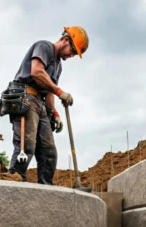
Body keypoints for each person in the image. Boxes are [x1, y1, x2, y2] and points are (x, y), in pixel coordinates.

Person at [8, 26, 89, 184]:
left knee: (49, 152)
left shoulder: (58, 66)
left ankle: (45, 190)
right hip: (26, 97)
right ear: (65, 40)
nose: (72, 55)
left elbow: (49, 91)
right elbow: (37, 72)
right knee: (27, 146)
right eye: (72, 51)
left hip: (41, 103)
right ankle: (15, 184)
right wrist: (61, 92)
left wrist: (55, 114)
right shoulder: (44, 47)